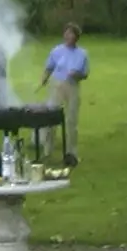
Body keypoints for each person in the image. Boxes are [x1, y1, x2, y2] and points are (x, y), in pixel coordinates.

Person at [37, 23, 88, 166]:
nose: (68, 36)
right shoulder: (56, 51)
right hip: (57, 85)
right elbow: (49, 67)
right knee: (51, 117)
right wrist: (44, 79)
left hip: (72, 86)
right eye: (66, 33)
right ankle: (47, 150)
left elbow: (85, 74)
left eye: (71, 34)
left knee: (71, 121)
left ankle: (71, 153)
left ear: (76, 37)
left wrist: (78, 74)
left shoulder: (82, 54)